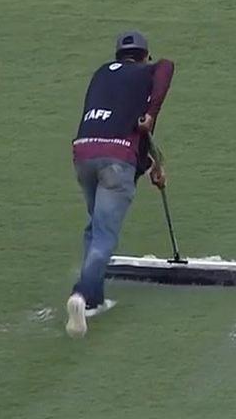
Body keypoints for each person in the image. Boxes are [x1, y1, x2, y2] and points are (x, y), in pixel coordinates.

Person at [65, 30, 174, 338]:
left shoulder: (102, 74)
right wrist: (152, 113)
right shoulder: (147, 72)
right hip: (116, 160)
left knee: (95, 226)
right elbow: (166, 66)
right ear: (144, 56)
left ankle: (94, 297)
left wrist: (152, 163)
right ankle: (82, 294)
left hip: (84, 154)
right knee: (104, 236)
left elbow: (127, 126)